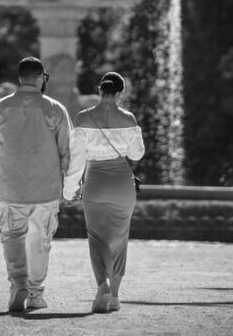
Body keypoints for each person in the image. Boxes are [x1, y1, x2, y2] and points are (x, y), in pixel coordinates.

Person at [0, 56, 77, 312]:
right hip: (46, 188)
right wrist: (70, 185)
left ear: (20, 78)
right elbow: (68, 151)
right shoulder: (56, 108)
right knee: (41, 240)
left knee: (11, 236)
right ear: (42, 78)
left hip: (10, 187)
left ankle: (18, 282)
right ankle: (35, 292)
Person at [64, 71, 145, 313]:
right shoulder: (129, 118)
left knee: (96, 238)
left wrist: (69, 191)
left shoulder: (83, 117)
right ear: (120, 93)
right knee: (120, 239)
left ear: (100, 91)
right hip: (122, 183)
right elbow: (137, 154)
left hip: (95, 181)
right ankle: (116, 297)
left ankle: (102, 287)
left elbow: (76, 161)